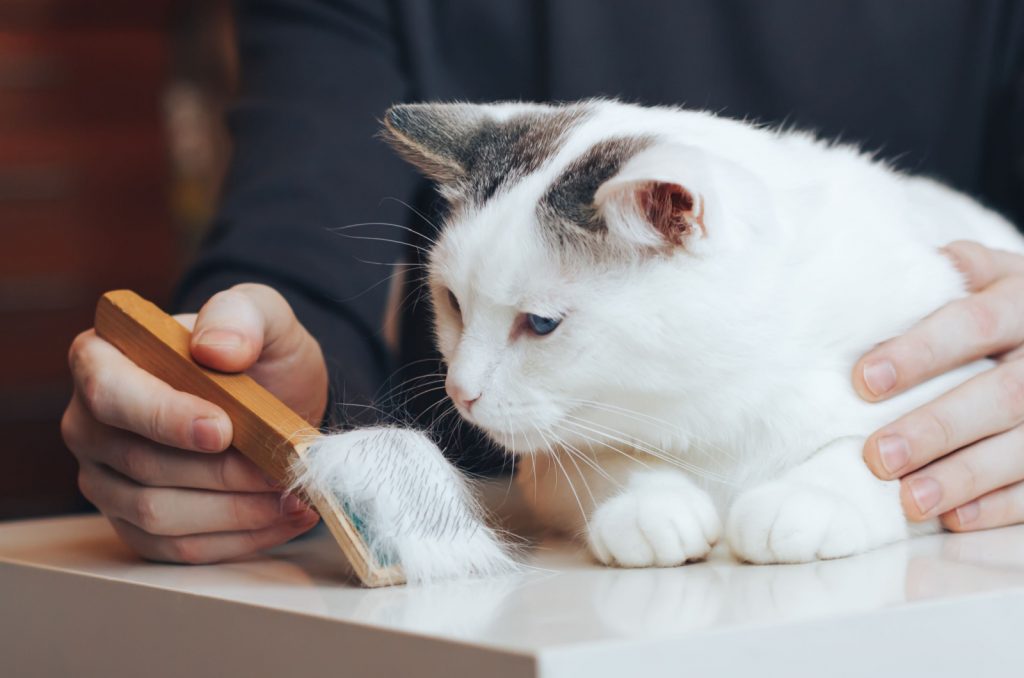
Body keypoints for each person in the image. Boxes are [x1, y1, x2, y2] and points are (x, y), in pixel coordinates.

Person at [61, 1, 1024, 563]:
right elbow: (290, 234)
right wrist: (230, 376)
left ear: (674, 219)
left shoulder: (875, 272)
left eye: (540, 322)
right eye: (451, 306)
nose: (462, 388)